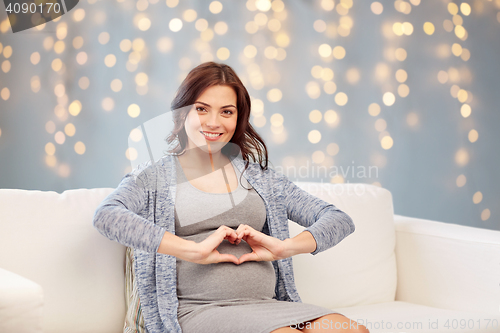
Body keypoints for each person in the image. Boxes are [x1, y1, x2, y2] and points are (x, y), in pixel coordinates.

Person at [93, 62, 368, 333]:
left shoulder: (261, 177)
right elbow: (107, 216)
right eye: (201, 109)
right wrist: (192, 250)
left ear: (238, 119)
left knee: (352, 331)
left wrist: (285, 247)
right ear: (182, 113)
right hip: (198, 310)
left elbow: (339, 220)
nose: (214, 122)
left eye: (227, 111)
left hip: (266, 306)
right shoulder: (154, 176)